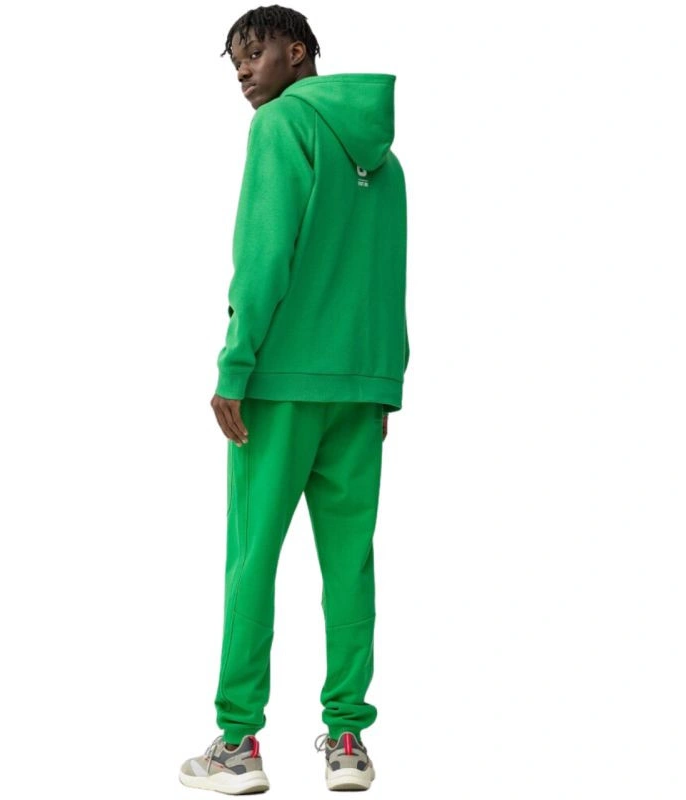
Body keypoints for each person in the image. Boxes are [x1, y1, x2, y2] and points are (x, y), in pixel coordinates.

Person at [179, 4, 409, 794]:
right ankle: (347, 739)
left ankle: (238, 744)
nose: (244, 72)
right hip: (359, 388)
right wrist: (384, 383)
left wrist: (234, 365)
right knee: (350, 563)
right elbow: (386, 275)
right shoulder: (386, 160)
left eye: (255, 53)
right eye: (236, 61)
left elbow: (263, 254)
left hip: (278, 385)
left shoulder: (280, 126)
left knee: (252, 559)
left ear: (299, 51)